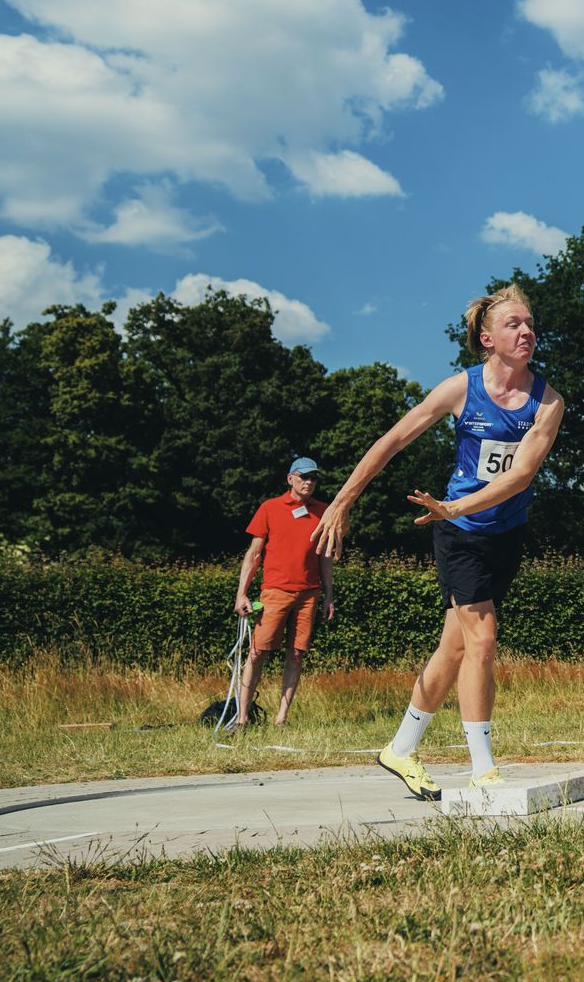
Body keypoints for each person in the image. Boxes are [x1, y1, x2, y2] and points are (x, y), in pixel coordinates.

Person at [312, 284, 564, 800]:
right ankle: (484, 771)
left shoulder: (548, 402)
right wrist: (341, 500)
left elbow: (519, 477)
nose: (526, 331)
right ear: (486, 338)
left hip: (503, 531)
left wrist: (459, 505)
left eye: (529, 322)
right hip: (459, 535)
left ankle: (400, 748)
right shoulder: (460, 389)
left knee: (453, 649)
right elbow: (392, 441)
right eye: (513, 324)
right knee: (484, 640)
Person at [230, 456, 335, 728]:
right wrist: (242, 593)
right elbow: (254, 554)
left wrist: (329, 596)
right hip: (274, 591)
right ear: (290, 479)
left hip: (308, 594)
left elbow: (325, 556)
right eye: (304, 477)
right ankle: (242, 717)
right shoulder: (270, 508)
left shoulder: (323, 511)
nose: (309, 482)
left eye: (313, 478)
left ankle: (281, 718)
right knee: (257, 652)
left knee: (297, 653)